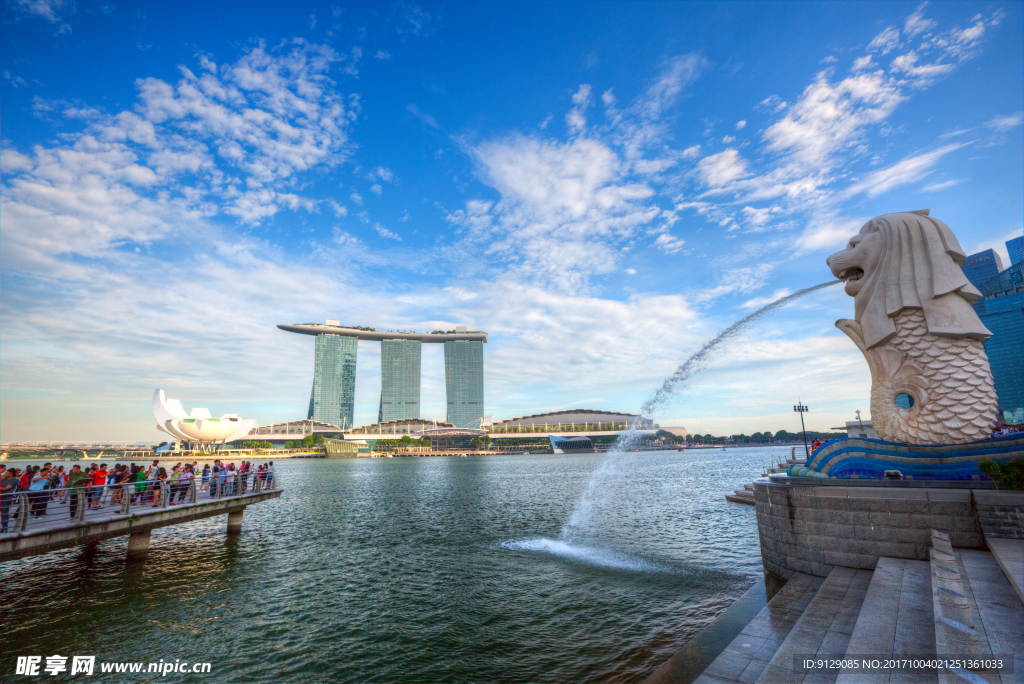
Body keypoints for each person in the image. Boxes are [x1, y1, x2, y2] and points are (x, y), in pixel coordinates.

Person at [1, 468, 18, 533]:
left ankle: (4, 528)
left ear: (11, 474)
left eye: (6, 473)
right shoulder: (3, 480)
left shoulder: (14, 480)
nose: (5, 474)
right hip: (1, 498)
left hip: (6, 499)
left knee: (4, 514)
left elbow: (6, 488)